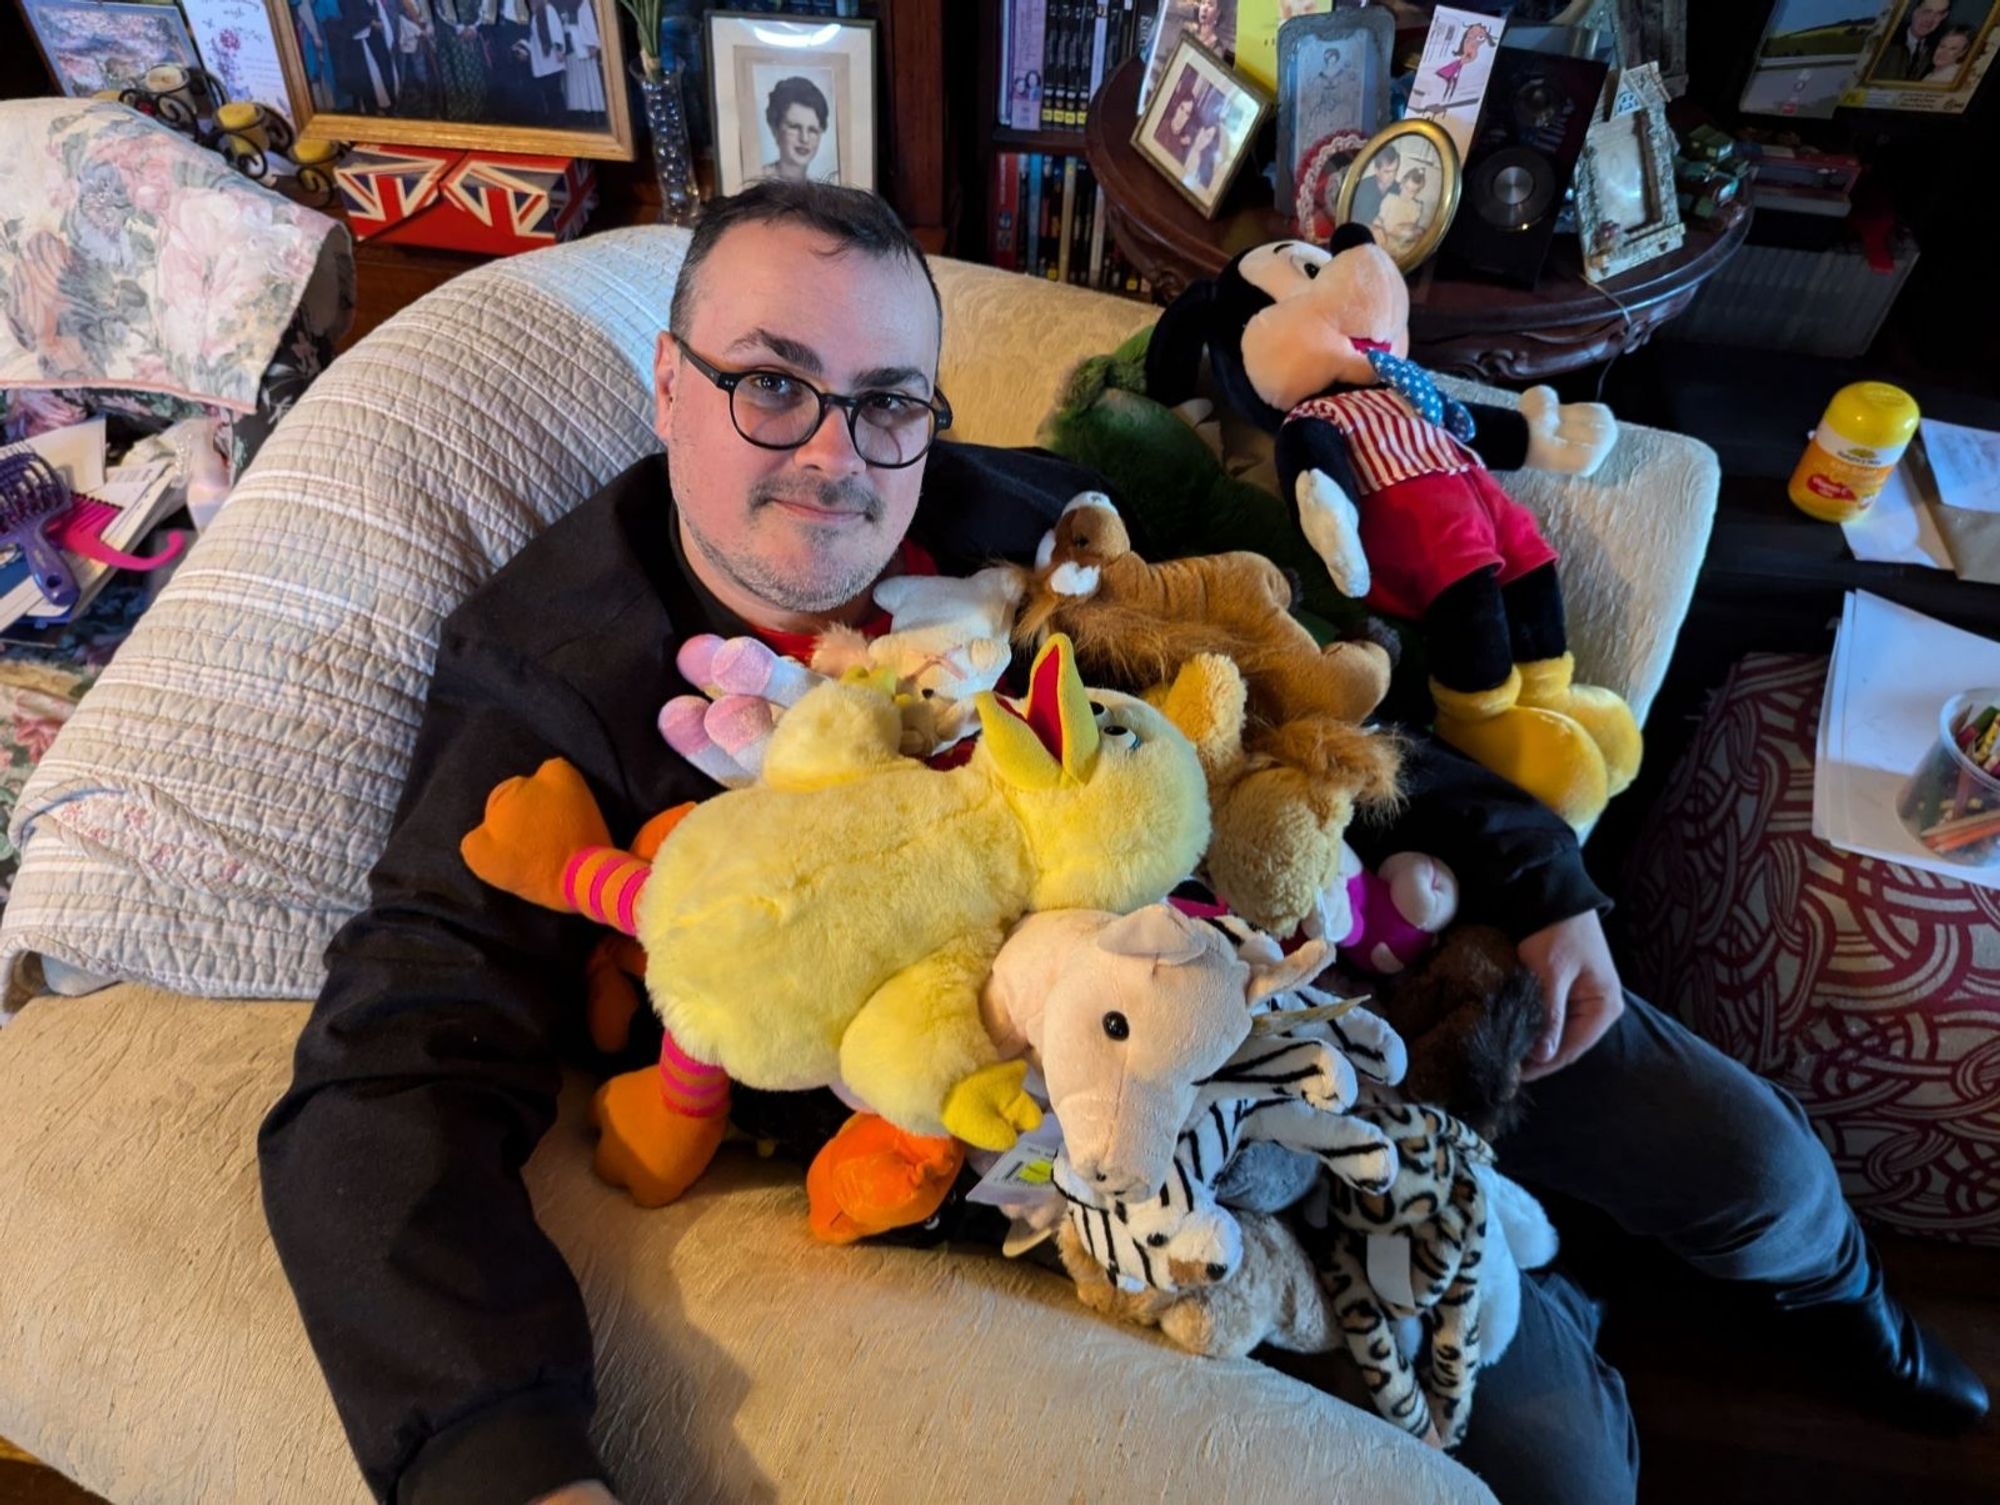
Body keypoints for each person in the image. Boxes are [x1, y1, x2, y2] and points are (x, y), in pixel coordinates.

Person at [259, 181, 1988, 1505]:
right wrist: (499, 1461)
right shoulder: (554, 670)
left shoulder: (1003, 513)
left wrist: (1542, 880)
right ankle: (1584, 1311)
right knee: (1563, 1452)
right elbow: (388, 1066)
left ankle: (1859, 1327)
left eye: (888, 403)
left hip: (1328, 941)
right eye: (773, 389)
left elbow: (1291, 700)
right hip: (1144, 1105)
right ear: (669, 382)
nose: (840, 463)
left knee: (1752, 1162)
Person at [760, 75, 830, 184]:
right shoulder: (758, 181)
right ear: (775, 129)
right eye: (795, 127)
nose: (804, 139)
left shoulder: (818, 189)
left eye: (812, 130)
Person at [1874, 0, 1953, 79]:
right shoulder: (1882, 40)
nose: (1930, 20)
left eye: (1939, 14)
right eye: (1926, 11)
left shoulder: (1938, 50)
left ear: (1944, 16)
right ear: (1914, 10)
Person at [1349, 142, 1401, 230]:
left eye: (1395, 170)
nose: (1393, 176)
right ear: (1377, 170)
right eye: (1387, 171)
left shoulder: (1397, 188)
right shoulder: (1363, 187)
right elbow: (1361, 218)